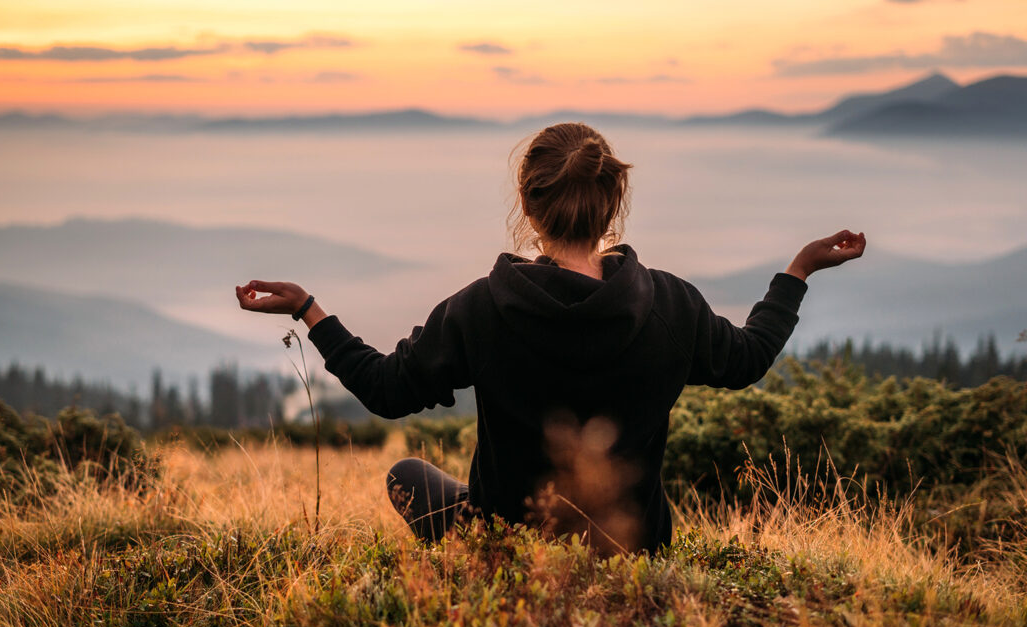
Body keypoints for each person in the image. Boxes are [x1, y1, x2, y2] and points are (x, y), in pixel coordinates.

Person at [235, 122, 866, 554]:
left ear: (528, 206)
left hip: (507, 549)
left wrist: (310, 310)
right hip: (632, 551)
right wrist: (798, 270)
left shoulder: (481, 310)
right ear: (612, 204)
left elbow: (385, 390)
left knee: (409, 472)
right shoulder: (671, 304)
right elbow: (749, 359)